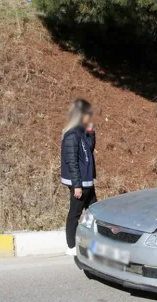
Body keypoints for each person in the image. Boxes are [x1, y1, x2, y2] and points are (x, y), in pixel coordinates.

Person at [61, 99, 97, 256]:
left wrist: (91, 132)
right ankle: (70, 246)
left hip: (87, 181)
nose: (90, 118)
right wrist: (76, 185)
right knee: (75, 214)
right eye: (88, 116)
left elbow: (88, 150)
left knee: (95, 213)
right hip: (80, 183)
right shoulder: (71, 135)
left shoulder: (81, 134)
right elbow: (71, 162)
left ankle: (94, 245)